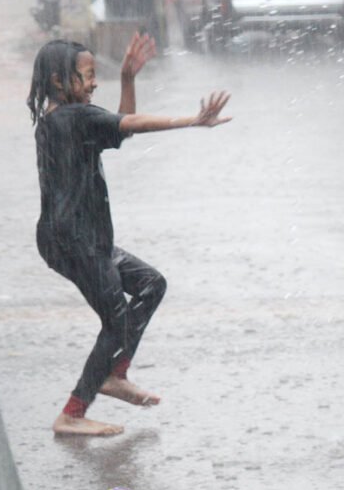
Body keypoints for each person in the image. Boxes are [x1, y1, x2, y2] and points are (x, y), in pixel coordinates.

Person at [27, 33, 231, 436]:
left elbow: (122, 129)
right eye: (86, 76)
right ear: (56, 80)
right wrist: (191, 120)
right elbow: (132, 122)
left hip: (84, 238)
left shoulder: (70, 118)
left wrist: (127, 80)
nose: (93, 83)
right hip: (72, 239)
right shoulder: (71, 119)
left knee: (151, 284)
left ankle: (114, 372)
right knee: (115, 320)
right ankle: (73, 412)